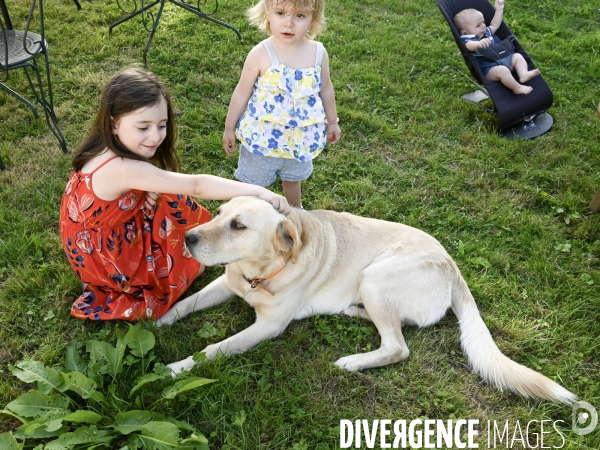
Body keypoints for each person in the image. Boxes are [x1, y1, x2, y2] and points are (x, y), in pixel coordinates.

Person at [59, 67, 290, 321]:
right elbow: (197, 186)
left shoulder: (104, 149)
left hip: (95, 239)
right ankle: (112, 282)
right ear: (114, 124)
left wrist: (141, 191)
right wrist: (258, 191)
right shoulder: (123, 169)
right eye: (143, 127)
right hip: (106, 255)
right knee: (179, 215)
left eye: (161, 125)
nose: (155, 136)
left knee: (166, 197)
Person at [223, 0, 341, 208]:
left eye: (300, 16)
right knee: (255, 192)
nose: (289, 23)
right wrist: (229, 128)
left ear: (313, 18)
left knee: (293, 181)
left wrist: (332, 121)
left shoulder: (318, 53)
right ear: (267, 13)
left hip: (299, 141)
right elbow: (242, 93)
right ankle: (249, 219)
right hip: (262, 142)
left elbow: (326, 89)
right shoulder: (260, 54)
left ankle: (295, 217)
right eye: (280, 13)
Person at [453, 0, 540, 95]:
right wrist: (478, 44)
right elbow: (468, 46)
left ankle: (523, 74)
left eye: (483, 22)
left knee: (517, 56)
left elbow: (495, 24)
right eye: (478, 25)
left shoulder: (485, 31)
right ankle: (517, 87)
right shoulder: (469, 39)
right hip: (490, 69)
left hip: (505, 61)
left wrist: (499, 10)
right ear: (465, 32)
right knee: (502, 70)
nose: (483, 26)